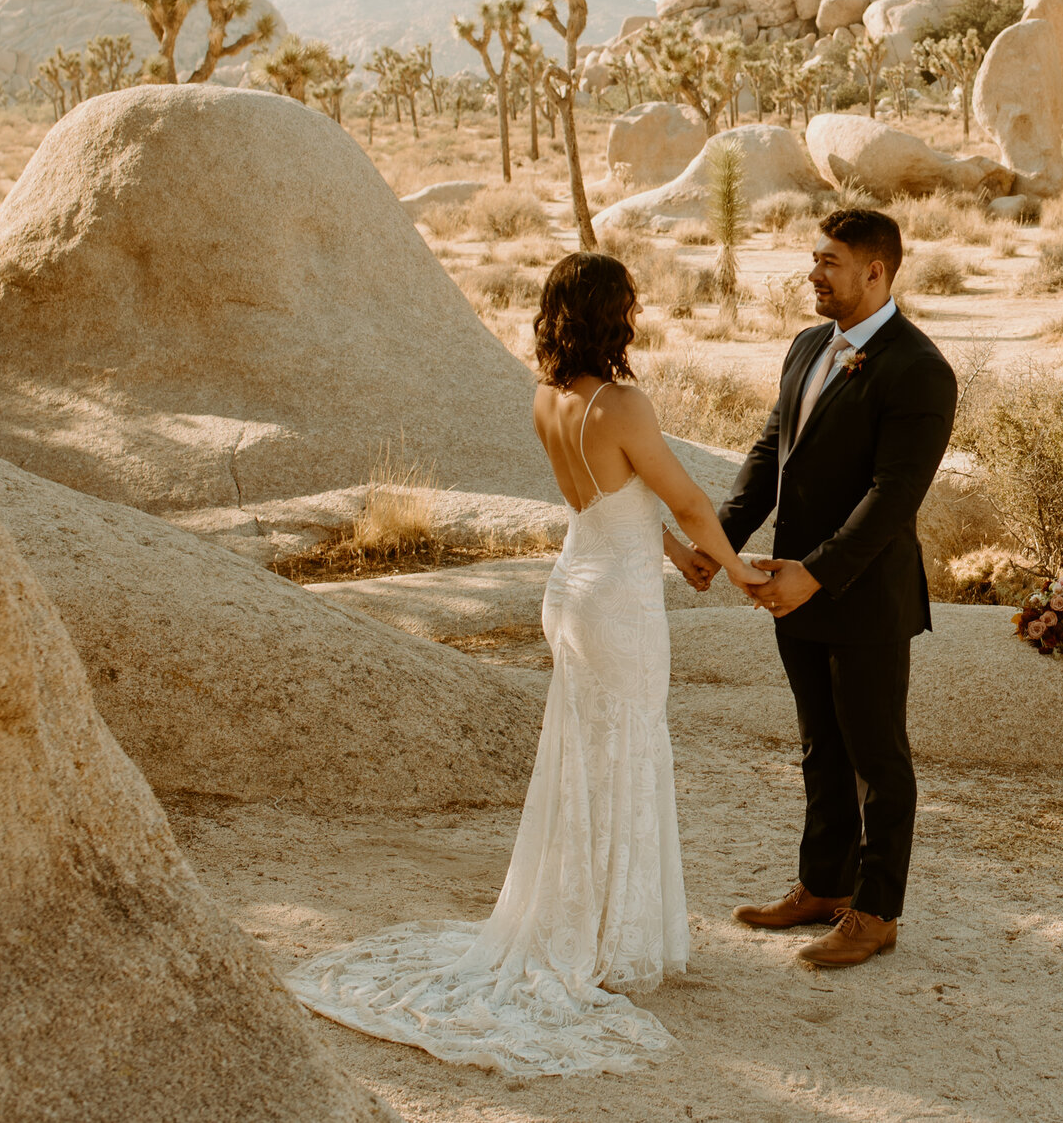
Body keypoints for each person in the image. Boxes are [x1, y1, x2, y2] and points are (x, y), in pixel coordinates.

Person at [286, 251, 767, 1075]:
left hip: (576, 584)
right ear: (610, 314)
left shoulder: (549, 398)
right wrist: (739, 568)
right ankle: (607, 938)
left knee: (587, 756)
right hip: (615, 602)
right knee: (624, 750)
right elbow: (684, 493)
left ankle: (586, 921)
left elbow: (608, 498)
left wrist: (678, 553)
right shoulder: (621, 402)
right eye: (630, 305)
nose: (639, 314)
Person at [696, 207, 957, 969]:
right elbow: (769, 451)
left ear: (876, 271)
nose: (813, 272)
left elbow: (893, 495)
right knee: (820, 747)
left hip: (863, 596)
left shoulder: (919, 368)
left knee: (878, 757)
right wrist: (722, 540)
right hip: (791, 588)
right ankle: (823, 883)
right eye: (813, 257)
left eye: (829, 262)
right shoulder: (809, 346)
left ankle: (876, 911)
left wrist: (816, 573)